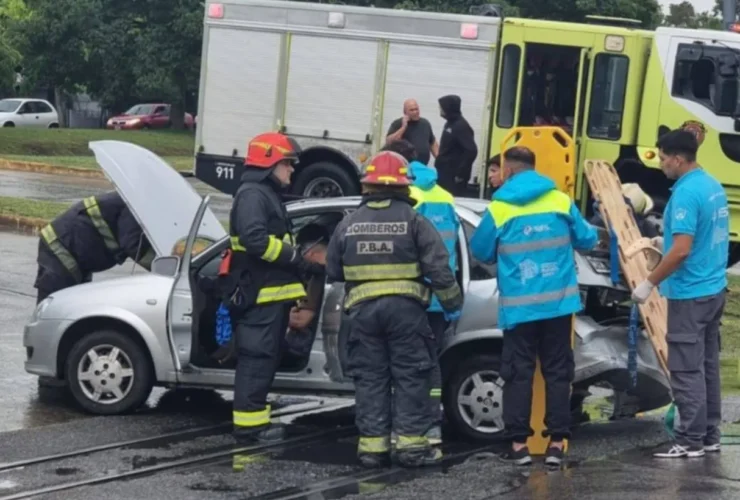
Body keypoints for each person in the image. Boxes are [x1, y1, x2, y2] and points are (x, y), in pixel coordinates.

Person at [325, 150, 463, 468]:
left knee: (370, 379)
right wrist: (453, 304)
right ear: (404, 185)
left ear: (367, 185)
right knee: (411, 377)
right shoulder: (415, 222)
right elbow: (440, 270)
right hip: (406, 315)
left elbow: (333, 270)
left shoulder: (348, 224)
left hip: (362, 315)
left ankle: (372, 449)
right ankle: (411, 448)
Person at [470, 146, 598, 467]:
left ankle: (519, 446)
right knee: (558, 372)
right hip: (558, 305)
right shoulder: (560, 201)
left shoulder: (500, 208)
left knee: (518, 373)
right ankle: (556, 444)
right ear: (533, 167)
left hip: (519, 308)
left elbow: (481, 251)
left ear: (509, 170)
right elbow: (587, 239)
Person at [631, 129, 729, 459]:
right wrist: (666, 242)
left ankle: (689, 441)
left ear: (676, 158)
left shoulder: (686, 193)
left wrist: (649, 283)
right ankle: (709, 435)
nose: (660, 164)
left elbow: (683, 251)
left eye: (662, 158)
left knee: (687, 370)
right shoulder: (711, 185)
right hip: (713, 289)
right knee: (707, 366)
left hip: (691, 294)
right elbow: (702, 236)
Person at [224, 131, 324, 443]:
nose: (292, 170)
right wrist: (295, 258)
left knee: (265, 357)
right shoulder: (253, 195)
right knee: (257, 357)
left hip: (268, 296)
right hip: (259, 296)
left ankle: (256, 422)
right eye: (287, 164)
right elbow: (255, 240)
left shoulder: (263, 194)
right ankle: (249, 428)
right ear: (269, 163)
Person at [380, 138, 461, 444]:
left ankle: (401, 425)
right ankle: (432, 424)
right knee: (430, 364)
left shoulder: (406, 195)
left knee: (401, 366)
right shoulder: (444, 195)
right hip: (441, 295)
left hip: (410, 296)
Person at [34, 191, 155, 303]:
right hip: (60, 248)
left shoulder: (139, 203)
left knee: (73, 308)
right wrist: (159, 267)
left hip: (74, 254)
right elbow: (132, 244)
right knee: (56, 306)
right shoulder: (134, 206)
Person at [435, 95, 478, 197]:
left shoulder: (461, 126)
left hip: (453, 177)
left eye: (442, 107)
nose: (440, 110)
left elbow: (471, 151)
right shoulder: (449, 123)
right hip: (444, 173)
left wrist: (461, 173)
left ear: (449, 108)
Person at [385, 99, 438, 165]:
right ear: (405, 112)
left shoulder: (425, 123)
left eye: (416, 109)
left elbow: (432, 143)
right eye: (412, 110)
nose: (415, 112)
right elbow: (389, 142)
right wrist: (403, 127)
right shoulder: (398, 123)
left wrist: (440, 160)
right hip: (404, 166)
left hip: (422, 166)